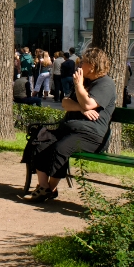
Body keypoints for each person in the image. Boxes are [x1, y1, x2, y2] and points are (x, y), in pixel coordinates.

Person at [22, 47, 116, 203]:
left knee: (60, 148)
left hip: (91, 135)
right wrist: (81, 107)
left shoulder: (105, 83)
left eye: (83, 62)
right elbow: (66, 103)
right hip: (70, 128)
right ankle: (44, 186)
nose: (79, 66)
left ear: (92, 65)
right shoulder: (84, 80)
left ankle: (50, 188)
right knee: (39, 140)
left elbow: (89, 103)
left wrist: (79, 88)